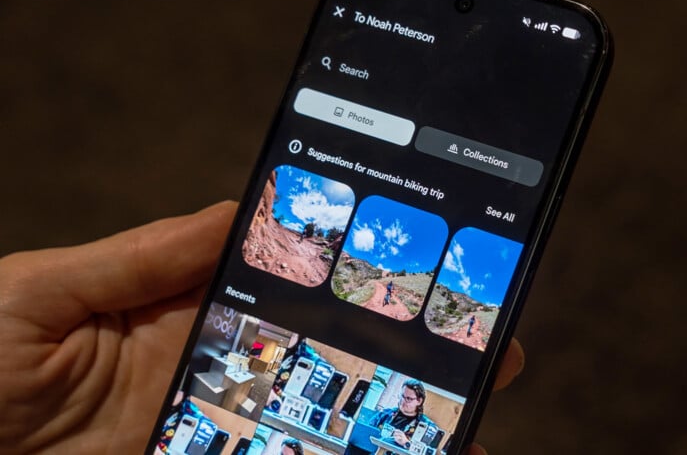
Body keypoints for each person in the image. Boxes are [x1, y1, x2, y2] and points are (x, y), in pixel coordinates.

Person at [0, 202, 524, 454]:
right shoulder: (378, 409)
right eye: (408, 399)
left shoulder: (411, 427)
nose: (408, 404)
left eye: (411, 399)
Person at [370, 379, 435, 452]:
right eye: (402, 396)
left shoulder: (428, 427)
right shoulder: (385, 414)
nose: (402, 401)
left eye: (408, 399)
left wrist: (406, 443)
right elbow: (367, 433)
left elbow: (427, 453)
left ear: (419, 401)